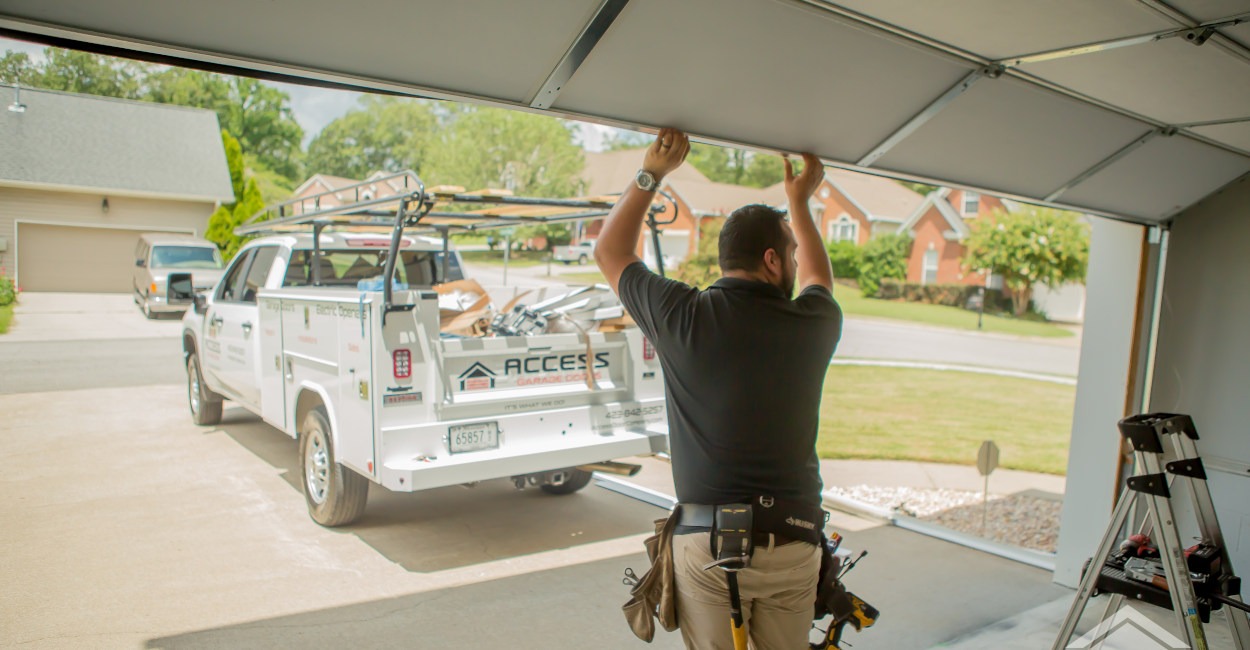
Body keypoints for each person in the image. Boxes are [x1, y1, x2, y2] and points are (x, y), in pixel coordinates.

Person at [595, 128, 843, 649]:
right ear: (773, 261)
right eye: (790, 254)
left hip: (709, 548)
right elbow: (822, 276)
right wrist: (800, 202)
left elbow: (610, 250)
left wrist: (652, 174)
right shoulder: (813, 323)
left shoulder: (682, 316)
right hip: (795, 541)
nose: (797, 264)